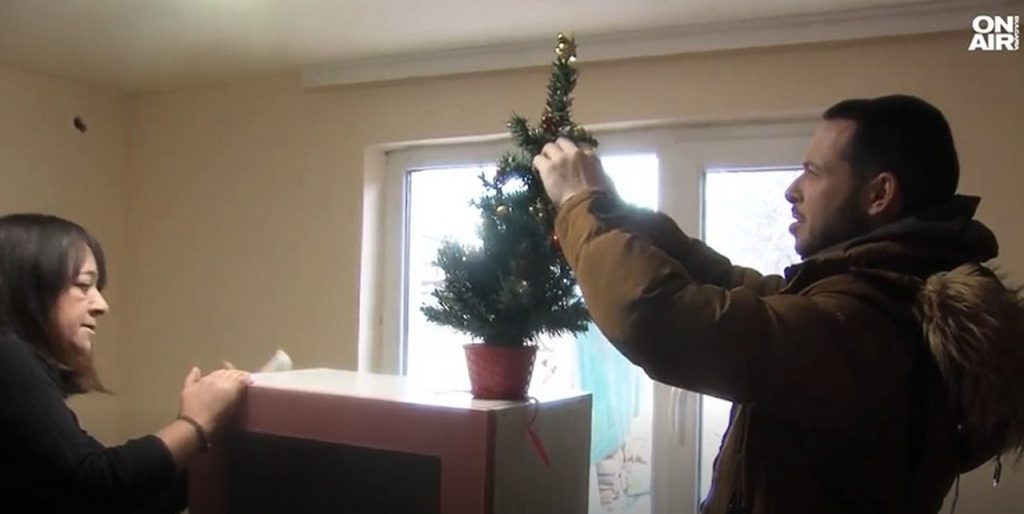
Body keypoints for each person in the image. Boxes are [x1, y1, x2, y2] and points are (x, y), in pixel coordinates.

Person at [533, 94, 1024, 513]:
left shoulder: (864, 324)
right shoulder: (876, 299)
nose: (793, 190)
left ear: (880, 194)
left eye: (813, 171)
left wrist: (578, 205)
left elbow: (653, 313)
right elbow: (735, 286)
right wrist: (615, 212)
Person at [0, 213, 251, 513]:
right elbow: (95, 483)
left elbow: (123, 502)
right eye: (83, 285)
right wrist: (194, 422)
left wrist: (207, 428)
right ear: (28, 289)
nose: (101, 305)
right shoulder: (7, 354)